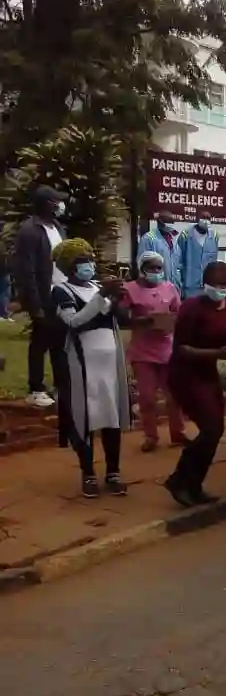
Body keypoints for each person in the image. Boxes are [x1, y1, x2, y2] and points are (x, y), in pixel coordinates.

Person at [51, 239, 131, 498]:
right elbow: (74, 321)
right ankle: (88, 473)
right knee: (85, 417)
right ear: (69, 267)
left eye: (89, 260)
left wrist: (117, 298)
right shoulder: (61, 291)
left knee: (111, 416)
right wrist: (102, 296)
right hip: (84, 364)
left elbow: (116, 317)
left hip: (110, 362)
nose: (89, 265)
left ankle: (113, 471)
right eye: (81, 262)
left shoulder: (99, 287)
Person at [165, 262, 226, 508]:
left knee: (216, 431)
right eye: (215, 285)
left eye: (224, 286)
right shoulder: (191, 307)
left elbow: (223, 338)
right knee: (209, 429)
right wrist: (217, 353)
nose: (219, 290)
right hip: (185, 374)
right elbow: (182, 348)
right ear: (205, 284)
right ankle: (179, 479)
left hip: (208, 374)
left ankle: (193, 484)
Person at [120, 251, 186, 452]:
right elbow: (122, 317)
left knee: (174, 395)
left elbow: (179, 312)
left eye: (159, 268)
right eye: (151, 268)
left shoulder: (169, 288)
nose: (155, 272)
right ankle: (151, 436)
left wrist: (170, 321)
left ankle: (178, 433)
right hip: (143, 351)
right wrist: (142, 321)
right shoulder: (129, 289)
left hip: (167, 348)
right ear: (141, 269)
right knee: (147, 397)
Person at [13, 185, 69, 407]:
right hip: (43, 295)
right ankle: (35, 389)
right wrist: (34, 304)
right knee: (39, 343)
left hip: (61, 293)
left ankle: (60, 386)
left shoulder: (57, 227)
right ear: (47, 204)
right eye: (57, 201)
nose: (61, 205)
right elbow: (26, 269)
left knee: (60, 344)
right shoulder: (29, 230)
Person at [176, 212, 220, 299]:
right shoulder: (186, 235)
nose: (206, 221)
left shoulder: (214, 236)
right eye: (203, 217)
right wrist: (179, 282)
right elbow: (178, 259)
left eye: (208, 218)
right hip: (190, 285)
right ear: (197, 218)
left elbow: (214, 259)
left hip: (208, 284)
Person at [136, 212, 182, 290]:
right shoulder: (148, 238)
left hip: (173, 288)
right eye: (167, 222)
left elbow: (178, 264)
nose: (170, 224)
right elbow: (141, 264)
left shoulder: (173, 240)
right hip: (155, 288)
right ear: (159, 222)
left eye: (171, 222)